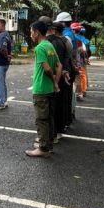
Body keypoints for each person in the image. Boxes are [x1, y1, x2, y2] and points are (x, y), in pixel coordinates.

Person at [26, 20, 61, 158]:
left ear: (37, 32)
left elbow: (47, 68)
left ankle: (43, 148)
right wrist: (56, 83)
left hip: (41, 88)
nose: (30, 35)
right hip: (50, 90)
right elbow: (59, 65)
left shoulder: (40, 48)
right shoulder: (50, 45)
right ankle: (48, 144)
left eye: (31, 32)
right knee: (49, 118)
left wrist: (53, 80)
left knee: (41, 119)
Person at [45, 19, 75, 141]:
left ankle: (54, 133)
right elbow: (67, 58)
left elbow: (55, 64)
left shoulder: (51, 42)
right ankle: (62, 126)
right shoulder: (65, 41)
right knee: (62, 103)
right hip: (64, 75)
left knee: (54, 106)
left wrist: (55, 81)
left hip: (57, 77)